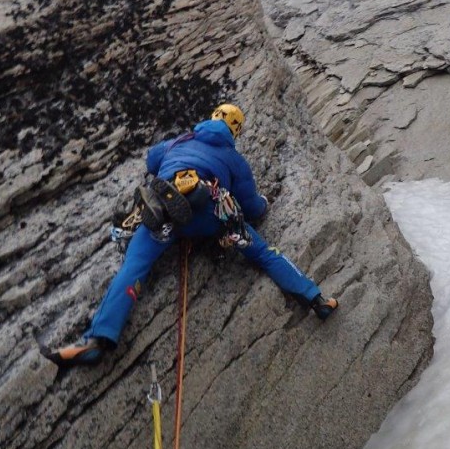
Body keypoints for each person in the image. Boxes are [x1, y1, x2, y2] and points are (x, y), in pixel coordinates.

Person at [41, 104, 338, 367]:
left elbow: (150, 161)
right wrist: (263, 202)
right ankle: (316, 298)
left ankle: (96, 340)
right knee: (262, 253)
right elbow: (253, 207)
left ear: (211, 118)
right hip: (212, 217)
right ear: (235, 130)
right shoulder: (234, 159)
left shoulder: (180, 140)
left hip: (165, 214)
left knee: (134, 267)